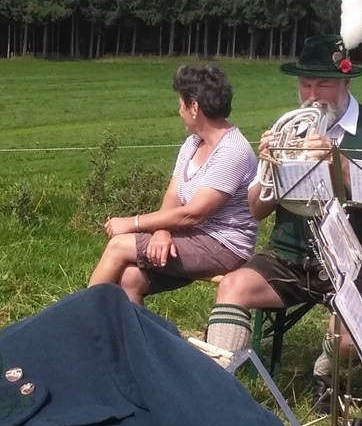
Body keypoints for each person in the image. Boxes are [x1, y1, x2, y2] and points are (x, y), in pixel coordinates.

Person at [200, 34, 362, 376]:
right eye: (305, 84)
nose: (312, 96)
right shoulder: (290, 128)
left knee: (350, 338)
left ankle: (327, 369)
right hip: (291, 256)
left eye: (323, 85)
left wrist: (338, 162)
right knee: (232, 286)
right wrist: (270, 167)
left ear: (346, 83)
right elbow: (256, 210)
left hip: (360, 261)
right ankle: (217, 381)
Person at [88, 63, 258, 304]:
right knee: (130, 278)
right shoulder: (193, 143)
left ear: (194, 107)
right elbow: (173, 197)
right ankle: (130, 330)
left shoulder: (232, 151)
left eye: (181, 104)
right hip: (193, 236)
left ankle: (82, 317)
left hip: (224, 246)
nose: (179, 111)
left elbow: (193, 214)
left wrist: (132, 223)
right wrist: (161, 232)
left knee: (118, 246)